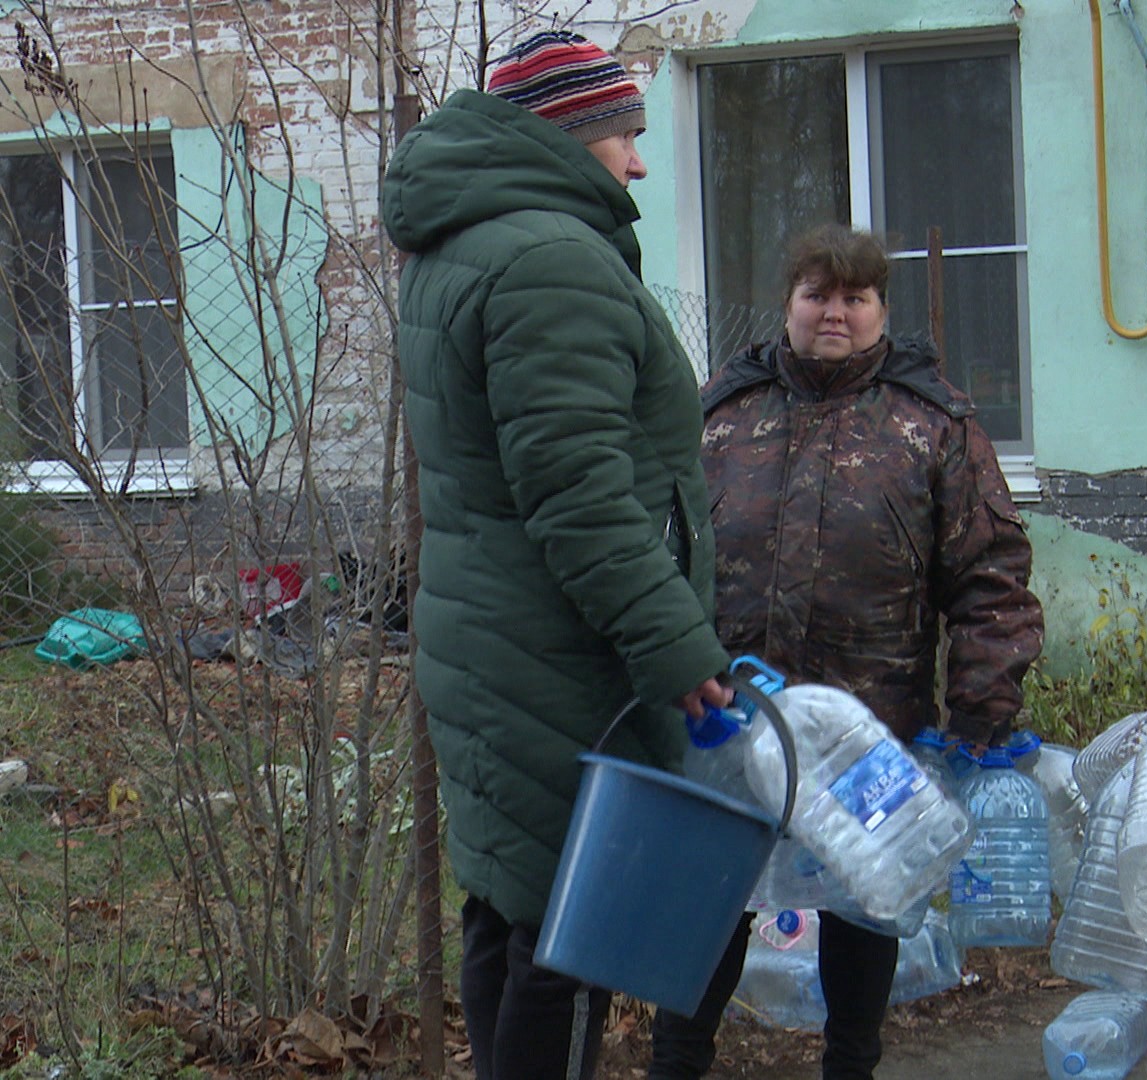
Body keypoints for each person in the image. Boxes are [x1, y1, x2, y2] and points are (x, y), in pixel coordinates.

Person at [381, 30, 732, 1080]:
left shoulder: (466, 242)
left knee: (519, 912)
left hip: (502, 636)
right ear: (570, 135)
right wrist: (679, 649)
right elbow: (581, 495)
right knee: (569, 947)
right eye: (626, 134)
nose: (639, 162)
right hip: (559, 655)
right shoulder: (549, 261)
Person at [647, 224, 1045, 1080]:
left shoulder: (931, 422)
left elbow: (989, 573)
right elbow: (659, 549)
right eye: (817, 294)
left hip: (874, 727)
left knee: (861, 923)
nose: (835, 313)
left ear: (880, 311)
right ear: (788, 303)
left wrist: (981, 704)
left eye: (854, 298)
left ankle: (850, 1068)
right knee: (703, 926)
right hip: (725, 723)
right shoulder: (722, 410)